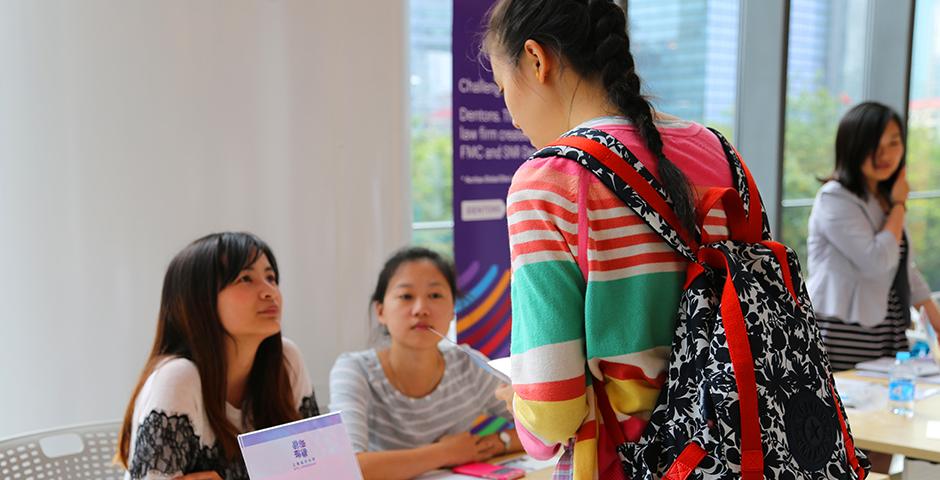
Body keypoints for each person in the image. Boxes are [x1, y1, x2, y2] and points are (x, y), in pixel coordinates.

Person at [482, 0, 746, 478]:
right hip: (743, 450)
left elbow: (553, 408)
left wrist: (523, 406)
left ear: (537, 60)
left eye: (504, 89)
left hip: (626, 462)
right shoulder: (718, 150)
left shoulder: (547, 179)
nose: (513, 117)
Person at [116, 232, 319, 480]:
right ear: (199, 300)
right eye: (246, 278)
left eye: (271, 277)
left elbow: (319, 470)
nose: (269, 292)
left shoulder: (286, 359)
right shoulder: (179, 378)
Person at [329, 247, 521, 480]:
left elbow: (539, 421)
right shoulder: (354, 371)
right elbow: (347, 467)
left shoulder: (468, 366)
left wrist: (499, 442)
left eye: (435, 295)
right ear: (381, 311)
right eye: (406, 296)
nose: (421, 309)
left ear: (453, 310)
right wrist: (445, 453)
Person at [807, 101, 940, 372]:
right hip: (842, 328)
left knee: (887, 408)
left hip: (886, 328)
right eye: (874, 145)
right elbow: (877, 261)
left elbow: (903, 269)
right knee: (850, 411)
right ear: (852, 147)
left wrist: (937, 324)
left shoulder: (881, 200)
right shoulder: (835, 198)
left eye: (893, 143)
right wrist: (900, 205)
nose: (885, 154)